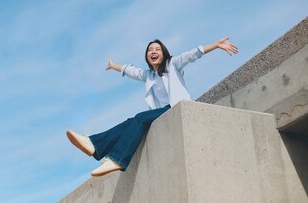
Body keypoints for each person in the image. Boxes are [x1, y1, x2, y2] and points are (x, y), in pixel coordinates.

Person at [66, 37, 238, 177]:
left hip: (176, 106)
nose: (153, 52)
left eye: (157, 49)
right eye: (150, 50)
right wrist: (113, 66)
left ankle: (117, 159)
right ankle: (94, 144)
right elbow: (130, 70)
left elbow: (192, 54)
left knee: (139, 119)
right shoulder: (148, 75)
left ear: (163, 53)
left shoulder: (173, 64)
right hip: (161, 113)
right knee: (131, 121)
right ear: (147, 56)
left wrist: (215, 45)